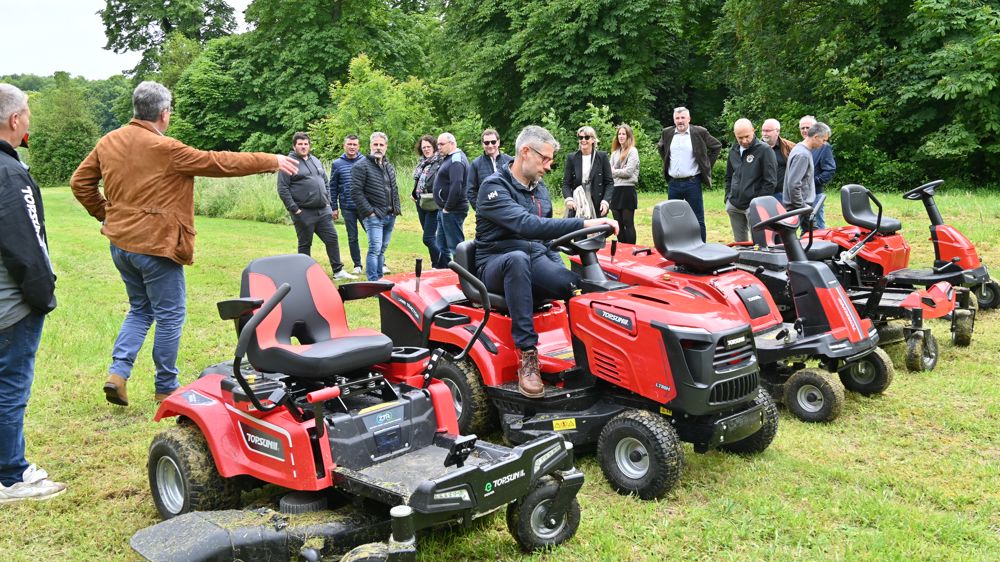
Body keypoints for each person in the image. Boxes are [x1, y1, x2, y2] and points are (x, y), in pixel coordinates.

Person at [70, 81, 299, 406]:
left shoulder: (109, 140)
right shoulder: (166, 149)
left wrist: (105, 214)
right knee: (170, 315)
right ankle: (166, 386)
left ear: (137, 108)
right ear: (164, 114)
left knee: (140, 309)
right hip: (155, 247)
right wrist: (271, 160)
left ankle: (118, 374)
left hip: (120, 244)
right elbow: (220, 162)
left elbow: (80, 182)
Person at [475, 125, 618, 398]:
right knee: (516, 260)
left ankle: (594, 358)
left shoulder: (539, 190)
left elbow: (545, 241)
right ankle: (527, 358)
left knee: (579, 285)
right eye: (546, 159)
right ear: (526, 152)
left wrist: (560, 275)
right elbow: (527, 225)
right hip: (495, 263)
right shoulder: (493, 187)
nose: (549, 166)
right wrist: (587, 221)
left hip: (533, 258)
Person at [0, 83, 66, 502]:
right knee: (10, 387)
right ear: (14, 120)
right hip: (10, 306)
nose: (28, 120)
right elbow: (28, 246)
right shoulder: (11, 173)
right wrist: (43, 297)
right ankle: (10, 475)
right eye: (27, 113)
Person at [277, 132, 355, 281]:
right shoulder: (288, 163)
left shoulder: (316, 161)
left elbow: (325, 182)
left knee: (332, 239)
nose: (303, 146)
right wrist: (295, 209)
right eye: (300, 144)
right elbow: (283, 189)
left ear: (309, 145)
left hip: (322, 210)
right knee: (305, 244)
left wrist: (329, 203)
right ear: (294, 146)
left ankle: (338, 271)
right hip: (303, 211)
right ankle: (303, 273)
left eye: (306, 144)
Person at [657, 107, 723, 242]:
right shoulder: (667, 133)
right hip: (673, 184)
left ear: (689, 119)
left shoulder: (699, 132)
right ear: (674, 119)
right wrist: (668, 164)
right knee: (672, 218)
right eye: (677, 118)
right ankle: (676, 246)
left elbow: (716, 146)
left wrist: (706, 165)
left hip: (692, 183)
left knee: (697, 218)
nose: (680, 121)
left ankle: (701, 246)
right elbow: (661, 147)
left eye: (683, 118)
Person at [351, 132, 400, 281]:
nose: (378, 147)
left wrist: (396, 209)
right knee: (375, 249)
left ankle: (380, 279)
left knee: (382, 250)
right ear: (370, 146)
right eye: (375, 144)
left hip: (390, 215)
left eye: (381, 145)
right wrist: (369, 212)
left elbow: (394, 189)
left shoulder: (388, 166)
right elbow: (355, 192)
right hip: (374, 216)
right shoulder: (361, 166)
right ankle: (373, 282)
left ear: (386, 147)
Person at [724, 118, 777, 242]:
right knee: (740, 244)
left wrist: (757, 204)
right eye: (740, 138)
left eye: (747, 136)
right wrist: (728, 197)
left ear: (753, 131)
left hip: (753, 206)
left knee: (759, 244)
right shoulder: (734, 150)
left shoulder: (765, 150)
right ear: (735, 135)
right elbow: (729, 176)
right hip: (734, 204)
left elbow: (770, 181)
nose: (744, 141)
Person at [329, 134, 365, 275]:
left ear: (358, 146)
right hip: (347, 206)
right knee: (352, 237)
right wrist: (334, 207)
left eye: (354, 144)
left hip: (364, 206)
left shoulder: (365, 161)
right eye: (349, 144)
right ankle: (357, 265)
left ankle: (381, 262)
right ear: (344, 146)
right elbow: (333, 187)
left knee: (373, 234)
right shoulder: (337, 164)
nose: (352, 147)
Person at [433, 132, 471, 264]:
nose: (439, 147)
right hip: (444, 209)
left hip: (452, 210)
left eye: (442, 144)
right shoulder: (449, 158)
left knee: (455, 247)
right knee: (441, 245)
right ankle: (442, 273)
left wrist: (448, 207)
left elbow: (457, 185)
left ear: (452, 143)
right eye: (438, 144)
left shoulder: (456, 160)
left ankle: (464, 276)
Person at [561, 126, 614, 219]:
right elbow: (566, 184)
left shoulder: (602, 157)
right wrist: (569, 199)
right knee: (577, 231)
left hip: (597, 201)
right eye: (580, 138)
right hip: (577, 202)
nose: (583, 140)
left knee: (597, 232)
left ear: (593, 140)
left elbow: (609, 183)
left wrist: (605, 201)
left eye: (587, 137)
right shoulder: (572, 158)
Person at [784, 123, 831, 226]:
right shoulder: (802, 154)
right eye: (823, 140)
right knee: (811, 237)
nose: (824, 144)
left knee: (810, 236)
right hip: (800, 207)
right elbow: (793, 184)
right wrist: (802, 206)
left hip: (803, 206)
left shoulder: (801, 149)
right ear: (816, 137)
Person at [411, 135, 446, 268]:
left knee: (428, 238)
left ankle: (445, 263)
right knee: (431, 237)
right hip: (420, 202)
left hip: (433, 203)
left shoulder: (440, 162)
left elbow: (441, 182)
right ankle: (435, 264)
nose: (426, 149)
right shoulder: (422, 162)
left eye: (428, 147)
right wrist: (413, 193)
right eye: (423, 147)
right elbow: (419, 181)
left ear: (434, 147)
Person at [799, 115, 837, 229]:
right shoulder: (800, 147)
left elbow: (830, 169)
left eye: (808, 127)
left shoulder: (824, 146)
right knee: (805, 226)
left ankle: (821, 246)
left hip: (815, 194)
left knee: (817, 226)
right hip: (802, 194)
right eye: (802, 128)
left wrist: (814, 181)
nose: (805, 130)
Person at [467, 128, 513, 210]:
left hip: (509, 209)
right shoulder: (476, 164)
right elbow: (471, 191)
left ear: (498, 142)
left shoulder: (510, 161)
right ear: (482, 144)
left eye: (493, 142)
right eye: (487, 143)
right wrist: (479, 209)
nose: (490, 145)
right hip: (487, 211)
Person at [609, 124, 640, 244]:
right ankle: (622, 249)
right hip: (615, 190)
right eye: (619, 134)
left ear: (628, 136)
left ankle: (631, 250)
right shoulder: (614, 153)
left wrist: (614, 171)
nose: (621, 136)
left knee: (628, 223)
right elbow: (608, 172)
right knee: (618, 223)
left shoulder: (633, 151)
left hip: (627, 190)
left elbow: (628, 172)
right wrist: (615, 172)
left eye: (624, 134)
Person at [761, 119, 796, 196]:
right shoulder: (756, 149)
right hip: (761, 194)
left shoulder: (790, 147)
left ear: (777, 131)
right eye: (763, 130)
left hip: (784, 194)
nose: (764, 133)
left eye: (768, 131)